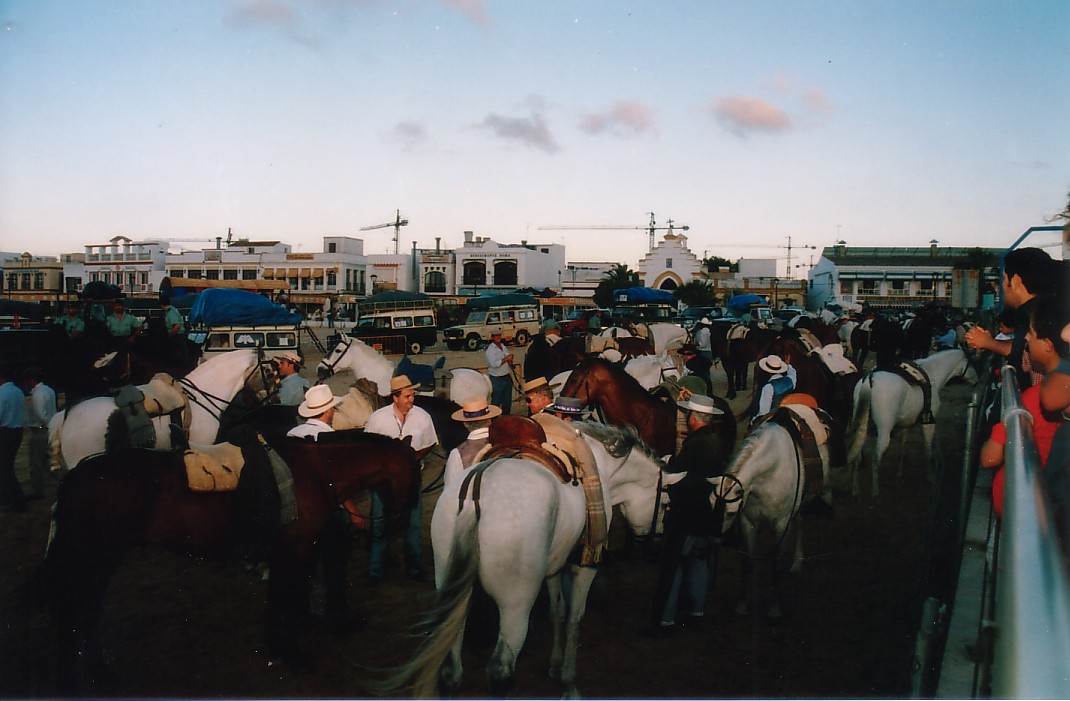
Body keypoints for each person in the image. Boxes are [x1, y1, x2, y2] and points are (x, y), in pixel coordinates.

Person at [643, 394, 729, 637]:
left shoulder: (695, 444)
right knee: (699, 563)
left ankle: (665, 621)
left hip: (686, 515)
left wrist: (668, 468)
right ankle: (696, 613)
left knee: (674, 566)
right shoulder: (715, 441)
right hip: (706, 516)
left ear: (693, 418)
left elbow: (681, 476)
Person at [364, 375, 439, 584]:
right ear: (395, 397)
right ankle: (375, 570)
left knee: (413, 524)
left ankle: (414, 568)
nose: (411, 399)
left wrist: (412, 458)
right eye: (407, 396)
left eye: (412, 395)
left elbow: (431, 443)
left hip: (411, 480)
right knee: (379, 524)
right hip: (383, 482)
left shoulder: (422, 417)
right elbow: (369, 450)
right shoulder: (377, 419)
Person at [965, 247, 1058, 389]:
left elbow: (1024, 350)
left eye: (1003, 278)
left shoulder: (1036, 314)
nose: (1002, 285)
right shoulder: (1049, 308)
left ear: (1015, 281)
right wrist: (988, 342)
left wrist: (988, 342)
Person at [443, 397, 501, 485]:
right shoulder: (506, 443)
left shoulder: (457, 454)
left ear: (465, 423)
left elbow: (450, 488)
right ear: (489, 421)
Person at [20, 367, 56, 498]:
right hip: (48, 427)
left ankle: (37, 490)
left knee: (35, 462)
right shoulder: (49, 390)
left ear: (31, 380)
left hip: (40, 429)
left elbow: (41, 415)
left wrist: (47, 424)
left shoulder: (37, 394)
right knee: (46, 460)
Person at [0, 366, 26, 513]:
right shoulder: (17, 391)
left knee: (5, 468)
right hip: (16, 431)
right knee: (7, 466)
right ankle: (8, 497)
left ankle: (16, 501)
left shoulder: (2, 393)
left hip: (4, 432)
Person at [485, 331, 515, 415]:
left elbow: (507, 358)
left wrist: (510, 361)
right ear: (492, 337)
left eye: (499, 335)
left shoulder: (503, 346)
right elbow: (494, 364)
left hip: (506, 377)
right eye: (496, 336)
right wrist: (506, 359)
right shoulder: (490, 350)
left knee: (507, 401)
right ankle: (494, 420)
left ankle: (506, 418)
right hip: (496, 379)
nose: (498, 337)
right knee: (496, 401)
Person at [160, 295, 189, 364]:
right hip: (178, 335)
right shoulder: (172, 310)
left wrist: (170, 335)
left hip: (178, 336)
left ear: (161, 305)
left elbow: (177, 326)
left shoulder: (171, 312)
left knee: (179, 354)